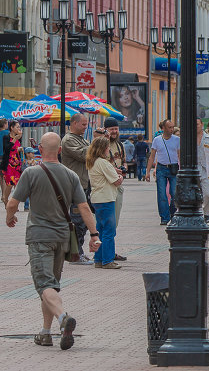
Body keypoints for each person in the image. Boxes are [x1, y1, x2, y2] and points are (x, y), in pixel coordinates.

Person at [5, 132, 100, 349]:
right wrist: (94, 235)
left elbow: (12, 203)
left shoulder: (31, 173)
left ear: (39, 149)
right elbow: (84, 207)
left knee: (44, 285)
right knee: (52, 287)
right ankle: (45, 332)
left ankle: (63, 318)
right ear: (59, 151)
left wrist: (10, 218)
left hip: (40, 237)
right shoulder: (71, 175)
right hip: (62, 238)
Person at [59, 113, 92, 263]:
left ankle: (78, 251)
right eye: (83, 124)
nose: (86, 127)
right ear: (74, 123)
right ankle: (75, 254)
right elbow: (85, 155)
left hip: (83, 184)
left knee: (83, 221)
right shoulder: (69, 140)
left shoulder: (80, 139)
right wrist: (97, 145)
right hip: (73, 186)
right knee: (77, 221)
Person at [86, 136, 122, 268]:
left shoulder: (92, 161)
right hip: (106, 198)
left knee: (100, 229)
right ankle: (108, 260)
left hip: (97, 198)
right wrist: (120, 176)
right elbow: (116, 181)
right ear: (103, 149)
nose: (109, 149)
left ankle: (98, 259)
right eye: (107, 147)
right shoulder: (103, 163)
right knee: (109, 230)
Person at [148, 120, 180, 226]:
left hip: (174, 168)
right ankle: (164, 217)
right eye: (169, 127)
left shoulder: (177, 140)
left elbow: (180, 155)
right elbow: (152, 156)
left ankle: (173, 214)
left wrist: (182, 169)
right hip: (161, 168)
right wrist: (148, 171)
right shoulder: (157, 140)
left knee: (174, 193)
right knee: (162, 194)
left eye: (172, 127)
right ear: (164, 128)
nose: (171, 129)